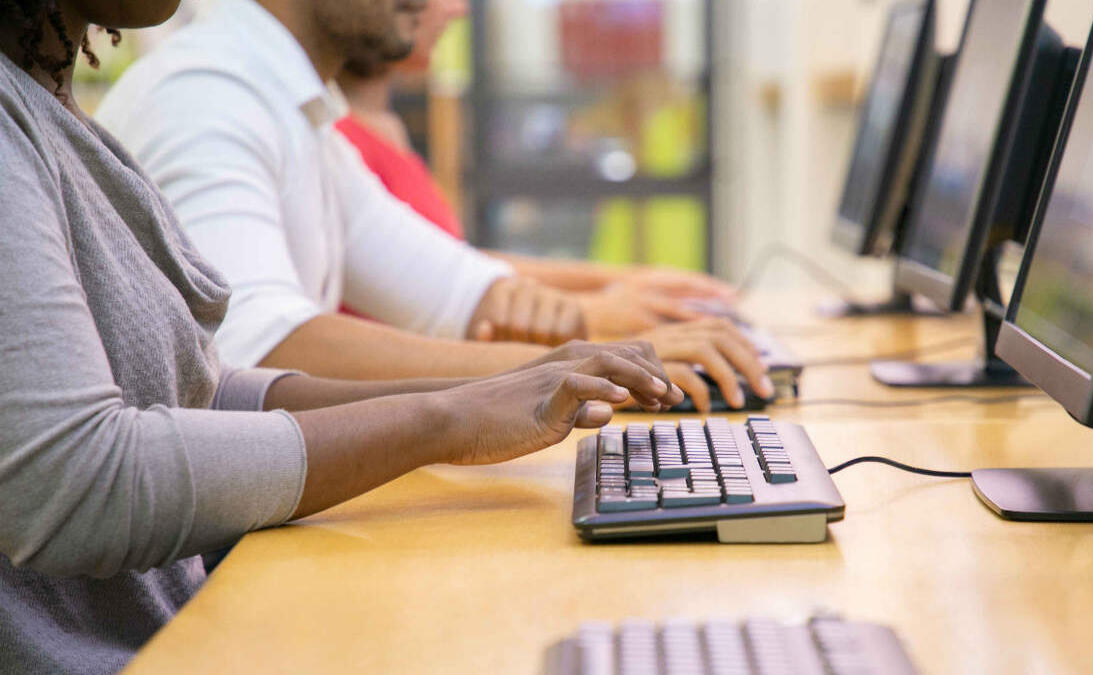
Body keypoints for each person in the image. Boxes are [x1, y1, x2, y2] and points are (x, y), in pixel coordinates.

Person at [0, 1, 682, 671]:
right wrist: (442, 417)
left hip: (182, 631)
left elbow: (205, 389)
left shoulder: (54, 107)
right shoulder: (196, 95)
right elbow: (80, 479)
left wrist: (501, 387)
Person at [96, 0, 776, 412]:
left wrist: (601, 329)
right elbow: (258, 348)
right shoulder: (204, 97)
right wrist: (574, 363)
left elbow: (454, 287)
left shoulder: (298, 117)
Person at [335, 0, 737, 338]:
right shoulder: (338, 139)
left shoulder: (378, 128)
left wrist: (622, 283)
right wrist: (593, 312)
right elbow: (431, 295)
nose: (458, 10)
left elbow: (455, 271)